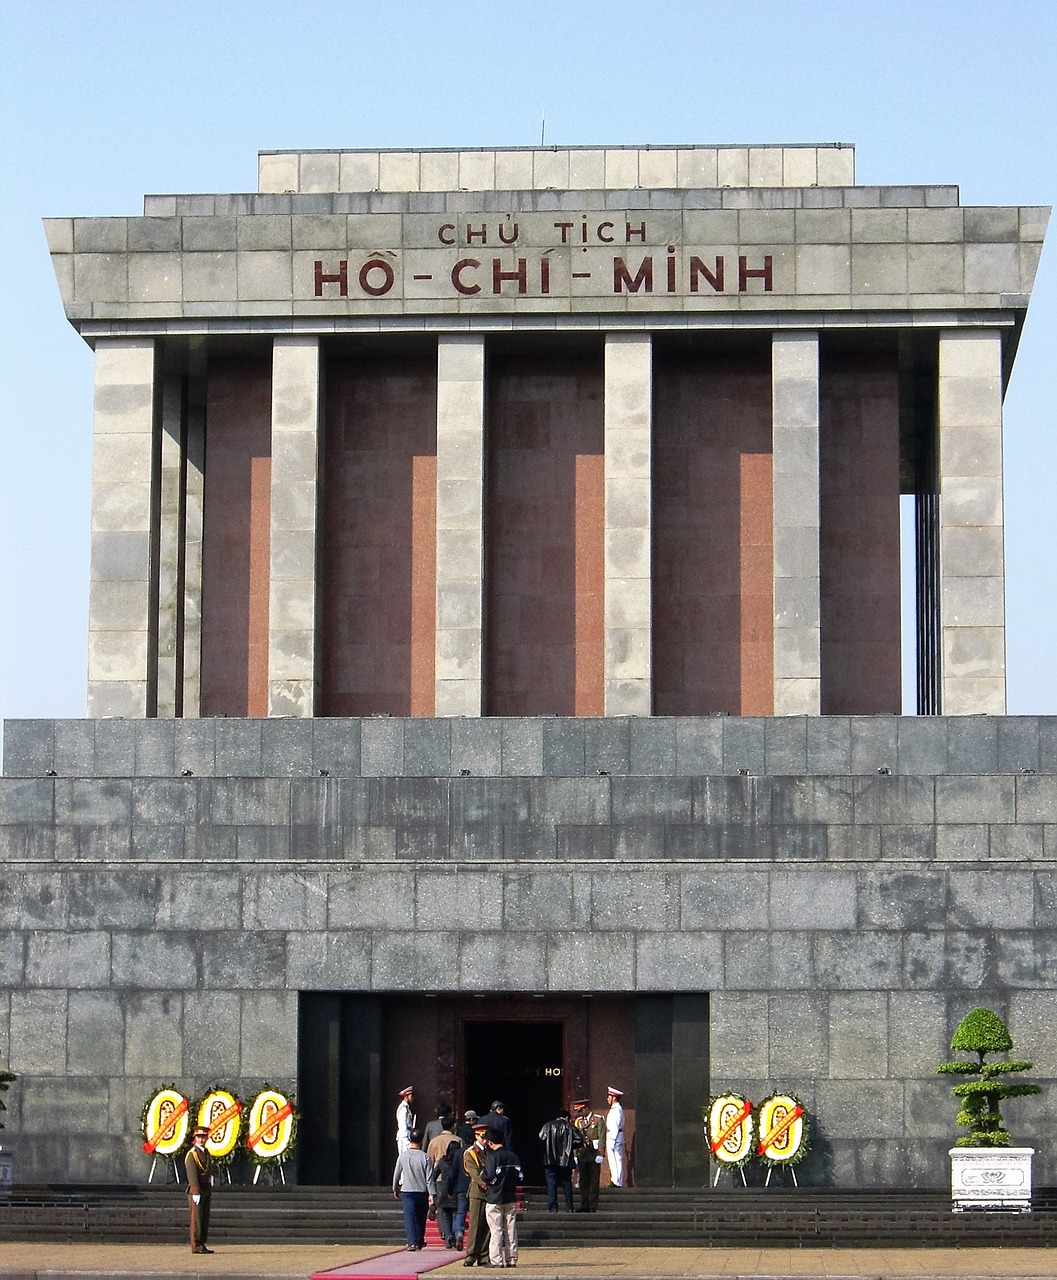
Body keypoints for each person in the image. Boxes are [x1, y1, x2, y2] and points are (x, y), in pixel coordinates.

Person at [482, 1128, 522, 1268]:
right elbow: (520, 1176)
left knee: (496, 1231)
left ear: (490, 1142)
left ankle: (496, 1260)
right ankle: (512, 1259)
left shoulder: (492, 1157)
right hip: (510, 1197)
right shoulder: (513, 1156)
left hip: (494, 1197)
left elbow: (488, 1176)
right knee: (511, 1230)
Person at [392, 1128, 437, 1251]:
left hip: (407, 1191)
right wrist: (432, 1193)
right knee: (421, 1217)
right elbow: (429, 1178)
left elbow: (397, 1174)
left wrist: (395, 1188)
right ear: (421, 1141)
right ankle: (419, 1241)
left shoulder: (403, 1156)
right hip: (422, 1191)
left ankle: (411, 1242)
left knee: (410, 1217)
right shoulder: (425, 1157)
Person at [461, 1120, 491, 1267]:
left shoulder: (490, 1152)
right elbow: (474, 1173)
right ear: (477, 1137)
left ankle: (484, 1256)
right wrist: (486, 1184)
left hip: (490, 1193)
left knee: (487, 1226)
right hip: (478, 1192)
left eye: (486, 1138)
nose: (485, 1141)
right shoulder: (470, 1153)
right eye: (482, 1138)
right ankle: (471, 1255)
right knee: (476, 1225)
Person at [538, 1108, 579, 1213]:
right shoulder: (570, 1127)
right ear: (566, 1117)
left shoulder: (547, 1126)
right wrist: (569, 1147)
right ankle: (569, 1207)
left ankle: (553, 1207)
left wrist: (547, 1149)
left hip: (550, 1159)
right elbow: (579, 1140)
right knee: (566, 1183)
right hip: (565, 1160)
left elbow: (541, 1138)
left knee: (552, 1183)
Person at [184, 1125, 213, 1254]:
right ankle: (196, 1244)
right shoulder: (192, 1155)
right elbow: (192, 1173)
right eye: (199, 1137)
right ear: (195, 1138)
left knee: (204, 1218)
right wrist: (195, 1191)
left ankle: (202, 1243)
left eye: (203, 1137)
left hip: (205, 1189)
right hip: (197, 1190)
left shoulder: (206, 1153)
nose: (201, 1140)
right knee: (197, 1219)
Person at [572, 1099, 605, 1212]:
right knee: (583, 1181)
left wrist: (601, 1153)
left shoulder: (597, 1120)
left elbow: (601, 1137)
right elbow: (576, 1139)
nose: (579, 1113)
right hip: (583, 1154)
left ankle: (592, 1205)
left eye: (580, 1110)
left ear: (586, 1108)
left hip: (594, 1153)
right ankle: (584, 1204)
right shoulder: (578, 1122)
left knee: (594, 1181)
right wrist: (575, 1155)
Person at [436, 1137, 465, 1249]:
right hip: (456, 1189)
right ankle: (455, 1234)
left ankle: (448, 1238)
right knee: (455, 1214)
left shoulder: (442, 1161)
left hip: (444, 1189)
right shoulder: (459, 1161)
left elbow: (434, 1174)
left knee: (445, 1215)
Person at [605, 1087, 626, 1187]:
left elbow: (615, 1126)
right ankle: (616, 1180)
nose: (607, 1099)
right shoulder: (615, 1109)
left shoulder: (616, 1110)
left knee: (616, 1159)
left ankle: (616, 1181)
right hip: (614, 1136)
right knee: (614, 1159)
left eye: (609, 1096)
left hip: (615, 1136)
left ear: (614, 1098)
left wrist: (612, 1140)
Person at [396, 1085, 416, 1155]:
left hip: (408, 1134)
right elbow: (402, 1125)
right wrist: (406, 1140)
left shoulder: (407, 1108)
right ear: (406, 1096)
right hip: (404, 1137)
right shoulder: (403, 1109)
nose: (412, 1098)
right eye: (411, 1096)